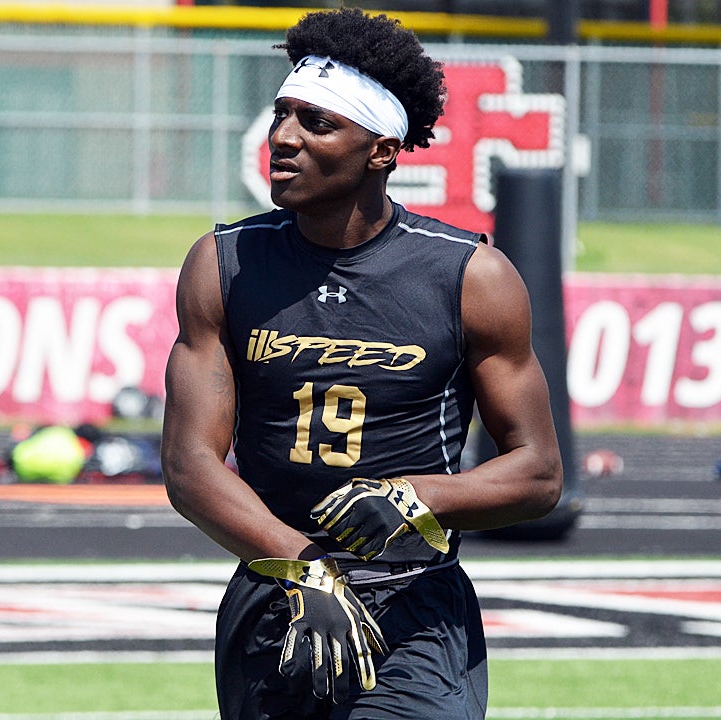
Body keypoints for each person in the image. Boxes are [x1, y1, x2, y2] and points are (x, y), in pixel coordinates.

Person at [161, 7, 563, 719]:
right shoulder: (223, 263)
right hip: (276, 595)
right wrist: (300, 564)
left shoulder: (471, 274)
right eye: (282, 113)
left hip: (413, 606)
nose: (281, 138)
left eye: (316, 123)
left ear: (381, 151)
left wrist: (416, 497)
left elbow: (538, 473)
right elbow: (190, 465)